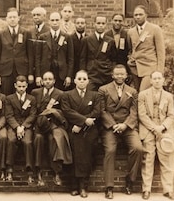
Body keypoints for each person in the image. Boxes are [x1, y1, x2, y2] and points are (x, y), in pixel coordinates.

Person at [98, 64, 142, 199]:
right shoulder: (103, 89)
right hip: (110, 127)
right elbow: (102, 110)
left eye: (122, 74)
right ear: (112, 75)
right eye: (117, 74)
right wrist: (113, 125)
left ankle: (130, 181)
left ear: (126, 76)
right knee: (110, 150)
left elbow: (134, 111)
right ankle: (109, 187)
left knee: (138, 148)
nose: (119, 76)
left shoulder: (132, 91)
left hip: (127, 126)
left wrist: (125, 125)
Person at [61, 70, 101, 198]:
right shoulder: (67, 95)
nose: (82, 81)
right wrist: (82, 121)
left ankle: (83, 186)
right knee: (74, 153)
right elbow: (67, 111)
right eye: (79, 79)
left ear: (88, 81)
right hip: (73, 128)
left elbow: (97, 111)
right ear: (74, 81)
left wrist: (82, 124)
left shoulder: (95, 95)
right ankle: (73, 185)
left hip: (89, 130)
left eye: (84, 79)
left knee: (86, 155)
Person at [138, 71, 174, 200]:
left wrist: (162, 127)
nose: (157, 81)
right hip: (148, 129)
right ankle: (146, 189)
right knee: (148, 157)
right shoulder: (142, 95)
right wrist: (154, 128)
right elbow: (142, 115)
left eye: (159, 78)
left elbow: (171, 115)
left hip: (163, 129)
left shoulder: (169, 96)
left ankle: (168, 189)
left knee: (167, 157)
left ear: (163, 80)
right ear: (151, 80)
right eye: (155, 78)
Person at [32, 71, 72, 187]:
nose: (47, 81)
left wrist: (54, 112)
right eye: (45, 79)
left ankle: (56, 172)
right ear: (42, 81)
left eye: (50, 79)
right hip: (39, 125)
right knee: (38, 139)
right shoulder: (35, 93)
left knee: (54, 140)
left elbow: (64, 111)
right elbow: (33, 111)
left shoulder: (60, 94)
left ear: (54, 81)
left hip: (53, 124)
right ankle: (38, 171)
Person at [0, 8, 33, 95]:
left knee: (21, 94)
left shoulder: (26, 33)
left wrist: (30, 73)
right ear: (6, 19)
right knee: (6, 94)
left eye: (14, 17)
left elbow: (30, 54)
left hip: (21, 69)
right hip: (5, 70)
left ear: (19, 18)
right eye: (10, 17)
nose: (12, 19)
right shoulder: (0, 34)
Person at [4, 75, 36, 182]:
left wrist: (23, 127)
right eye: (19, 86)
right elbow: (9, 115)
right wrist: (17, 127)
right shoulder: (9, 98)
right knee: (11, 140)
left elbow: (32, 115)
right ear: (15, 86)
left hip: (26, 126)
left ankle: (29, 171)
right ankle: (9, 169)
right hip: (14, 126)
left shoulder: (31, 99)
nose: (21, 89)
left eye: (23, 86)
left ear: (27, 86)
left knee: (27, 142)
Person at [127, 5, 165, 91]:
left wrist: (159, 71)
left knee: (143, 92)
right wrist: (130, 60)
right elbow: (130, 49)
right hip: (135, 68)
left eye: (140, 14)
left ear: (146, 15)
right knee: (136, 93)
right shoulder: (131, 32)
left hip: (150, 67)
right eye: (136, 15)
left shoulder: (155, 29)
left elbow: (161, 52)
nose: (138, 17)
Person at [35, 12, 74, 90]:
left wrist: (69, 76)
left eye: (57, 20)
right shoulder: (43, 37)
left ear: (60, 21)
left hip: (61, 73)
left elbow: (71, 59)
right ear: (49, 22)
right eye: (52, 20)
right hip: (46, 72)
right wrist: (38, 75)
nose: (55, 22)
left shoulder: (67, 37)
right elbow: (38, 57)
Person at [80, 16, 118, 92]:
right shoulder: (86, 40)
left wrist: (111, 71)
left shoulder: (110, 41)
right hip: (92, 74)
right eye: (98, 23)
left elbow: (113, 59)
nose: (101, 25)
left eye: (103, 23)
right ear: (94, 24)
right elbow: (83, 59)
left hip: (106, 74)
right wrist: (83, 73)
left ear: (106, 25)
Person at [70, 17, 87, 85]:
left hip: (85, 68)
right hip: (73, 68)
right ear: (75, 24)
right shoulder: (70, 38)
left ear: (85, 25)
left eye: (82, 23)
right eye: (78, 23)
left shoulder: (89, 38)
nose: (80, 25)